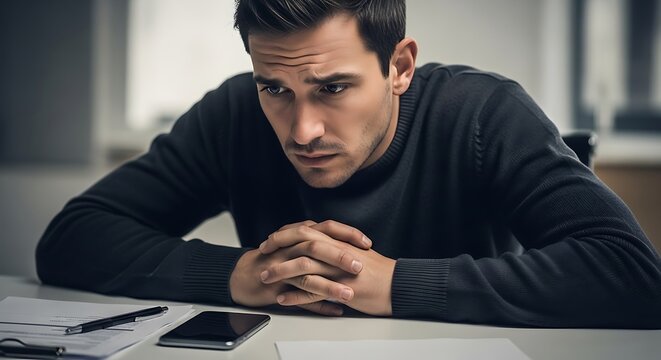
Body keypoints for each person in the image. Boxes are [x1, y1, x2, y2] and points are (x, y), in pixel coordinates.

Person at [36, 0, 660, 328]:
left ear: (400, 67)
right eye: (274, 88)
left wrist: (392, 285)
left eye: (332, 88)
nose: (302, 130)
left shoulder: (484, 112)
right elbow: (72, 238)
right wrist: (238, 278)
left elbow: (633, 275)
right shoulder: (234, 111)